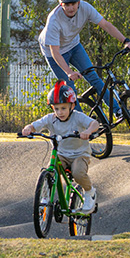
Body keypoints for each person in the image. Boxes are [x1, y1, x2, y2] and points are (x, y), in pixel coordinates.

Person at [38, 0, 130, 120]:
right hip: (54, 52)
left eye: (73, 3)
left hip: (74, 45)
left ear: (78, 2)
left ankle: (117, 110)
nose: (71, 8)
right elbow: (55, 52)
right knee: (69, 88)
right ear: (61, 5)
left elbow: (106, 25)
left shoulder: (86, 8)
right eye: (67, 5)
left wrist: (125, 41)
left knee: (94, 77)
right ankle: (82, 123)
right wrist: (69, 72)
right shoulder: (54, 20)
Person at [21, 81, 100, 213]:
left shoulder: (78, 117)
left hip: (79, 154)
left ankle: (90, 192)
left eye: (63, 108)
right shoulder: (50, 119)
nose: (60, 112)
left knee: (78, 173)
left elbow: (95, 123)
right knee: (49, 171)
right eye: (56, 108)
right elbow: (35, 125)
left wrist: (88, 131)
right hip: (61, 154)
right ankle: (45, 198)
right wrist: (28, 128)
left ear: (72, 106)